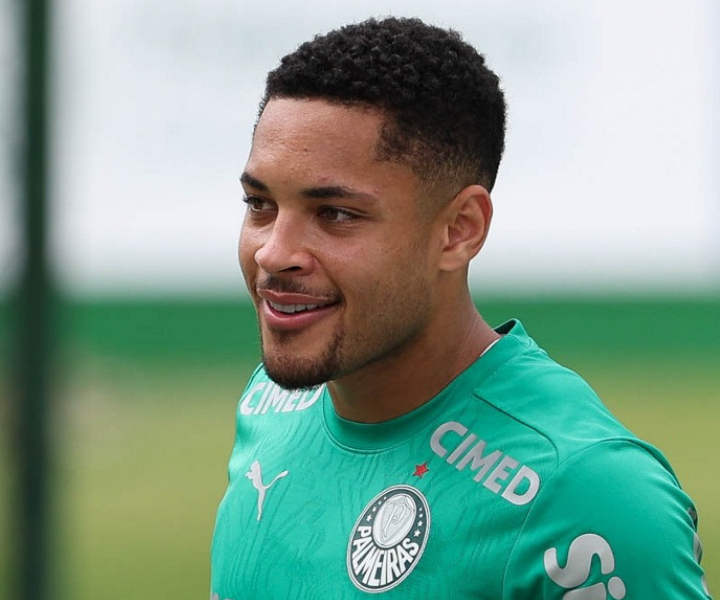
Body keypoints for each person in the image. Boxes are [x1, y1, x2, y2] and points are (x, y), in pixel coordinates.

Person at [210, 17, 710, 599]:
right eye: (260, 204)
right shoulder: (269, 405)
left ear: (459, 230)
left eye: (336, 214)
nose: (273, 253)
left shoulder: (585, 493)